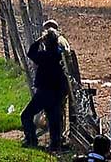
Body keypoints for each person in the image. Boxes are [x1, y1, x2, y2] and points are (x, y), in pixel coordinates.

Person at [21, 21, 72, 150]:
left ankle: (31, 140)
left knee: (26, 115)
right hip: (57, 92)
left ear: (45, 42)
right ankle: (55, 144)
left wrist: (39, 40)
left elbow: (30, 53)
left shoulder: (43, 56)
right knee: (54, 120)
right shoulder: (60, 56)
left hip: (44, 92)